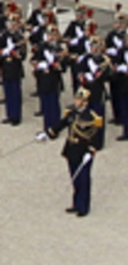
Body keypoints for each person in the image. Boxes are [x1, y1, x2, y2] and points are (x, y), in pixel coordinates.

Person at [41, 83, 103, 217]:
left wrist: (91, 151)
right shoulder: (72, 113)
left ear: (85, 102)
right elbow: (62, 124)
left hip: (83, 150)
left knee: (83, 179)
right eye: (76, 99)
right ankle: (76, 203)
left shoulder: (92, 117)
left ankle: (83, 207)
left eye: (79, 100)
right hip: (71, 149)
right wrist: (48, 133)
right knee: (74, 177)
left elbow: (96, 137)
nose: (76, 102)